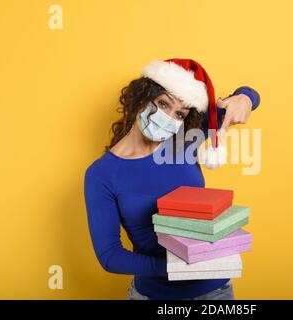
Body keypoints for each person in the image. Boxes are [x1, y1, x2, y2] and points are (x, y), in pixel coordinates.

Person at [83, 58, 261, 300]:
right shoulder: (102, 174)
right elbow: (110, 255)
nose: (168, 117)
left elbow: (246, 100)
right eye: (163, 104)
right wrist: (178, 267)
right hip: (155, 295)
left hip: (215, 292)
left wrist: (246, 97)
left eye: (179, 113)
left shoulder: (184, 141)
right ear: (141, 98)